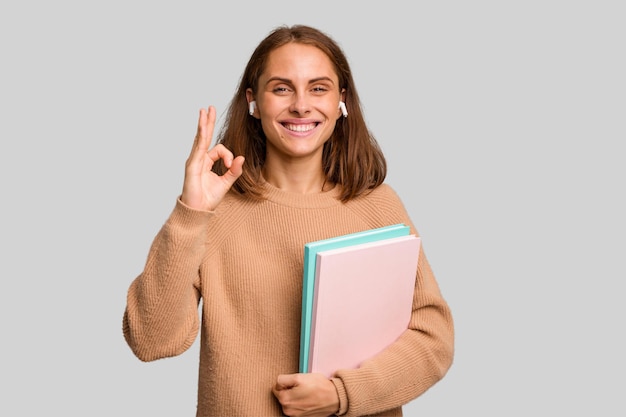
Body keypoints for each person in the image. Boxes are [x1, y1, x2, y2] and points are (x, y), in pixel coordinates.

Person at [123, 24, 454, 417]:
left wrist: (342, 394)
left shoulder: (378, 206)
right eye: (281, 88)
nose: (301, 105)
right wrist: (190, 214)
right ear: (254, 101)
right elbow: (151, 340)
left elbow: (434, 339)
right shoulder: (214, 212)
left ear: (341, 100)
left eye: (318, 88)